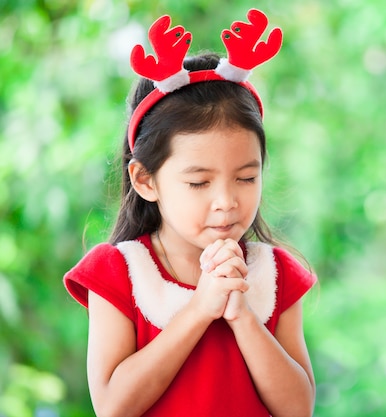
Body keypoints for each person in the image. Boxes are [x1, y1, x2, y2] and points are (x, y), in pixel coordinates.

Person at [63, 9, 317, 417]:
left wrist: (243, 316)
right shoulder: (117, 273)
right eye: (199, 183)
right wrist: (201, 308)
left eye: (246, 178)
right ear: (146, 180)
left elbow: (298, 408)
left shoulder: (276, 274)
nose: (227, 202)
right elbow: (112, 406)